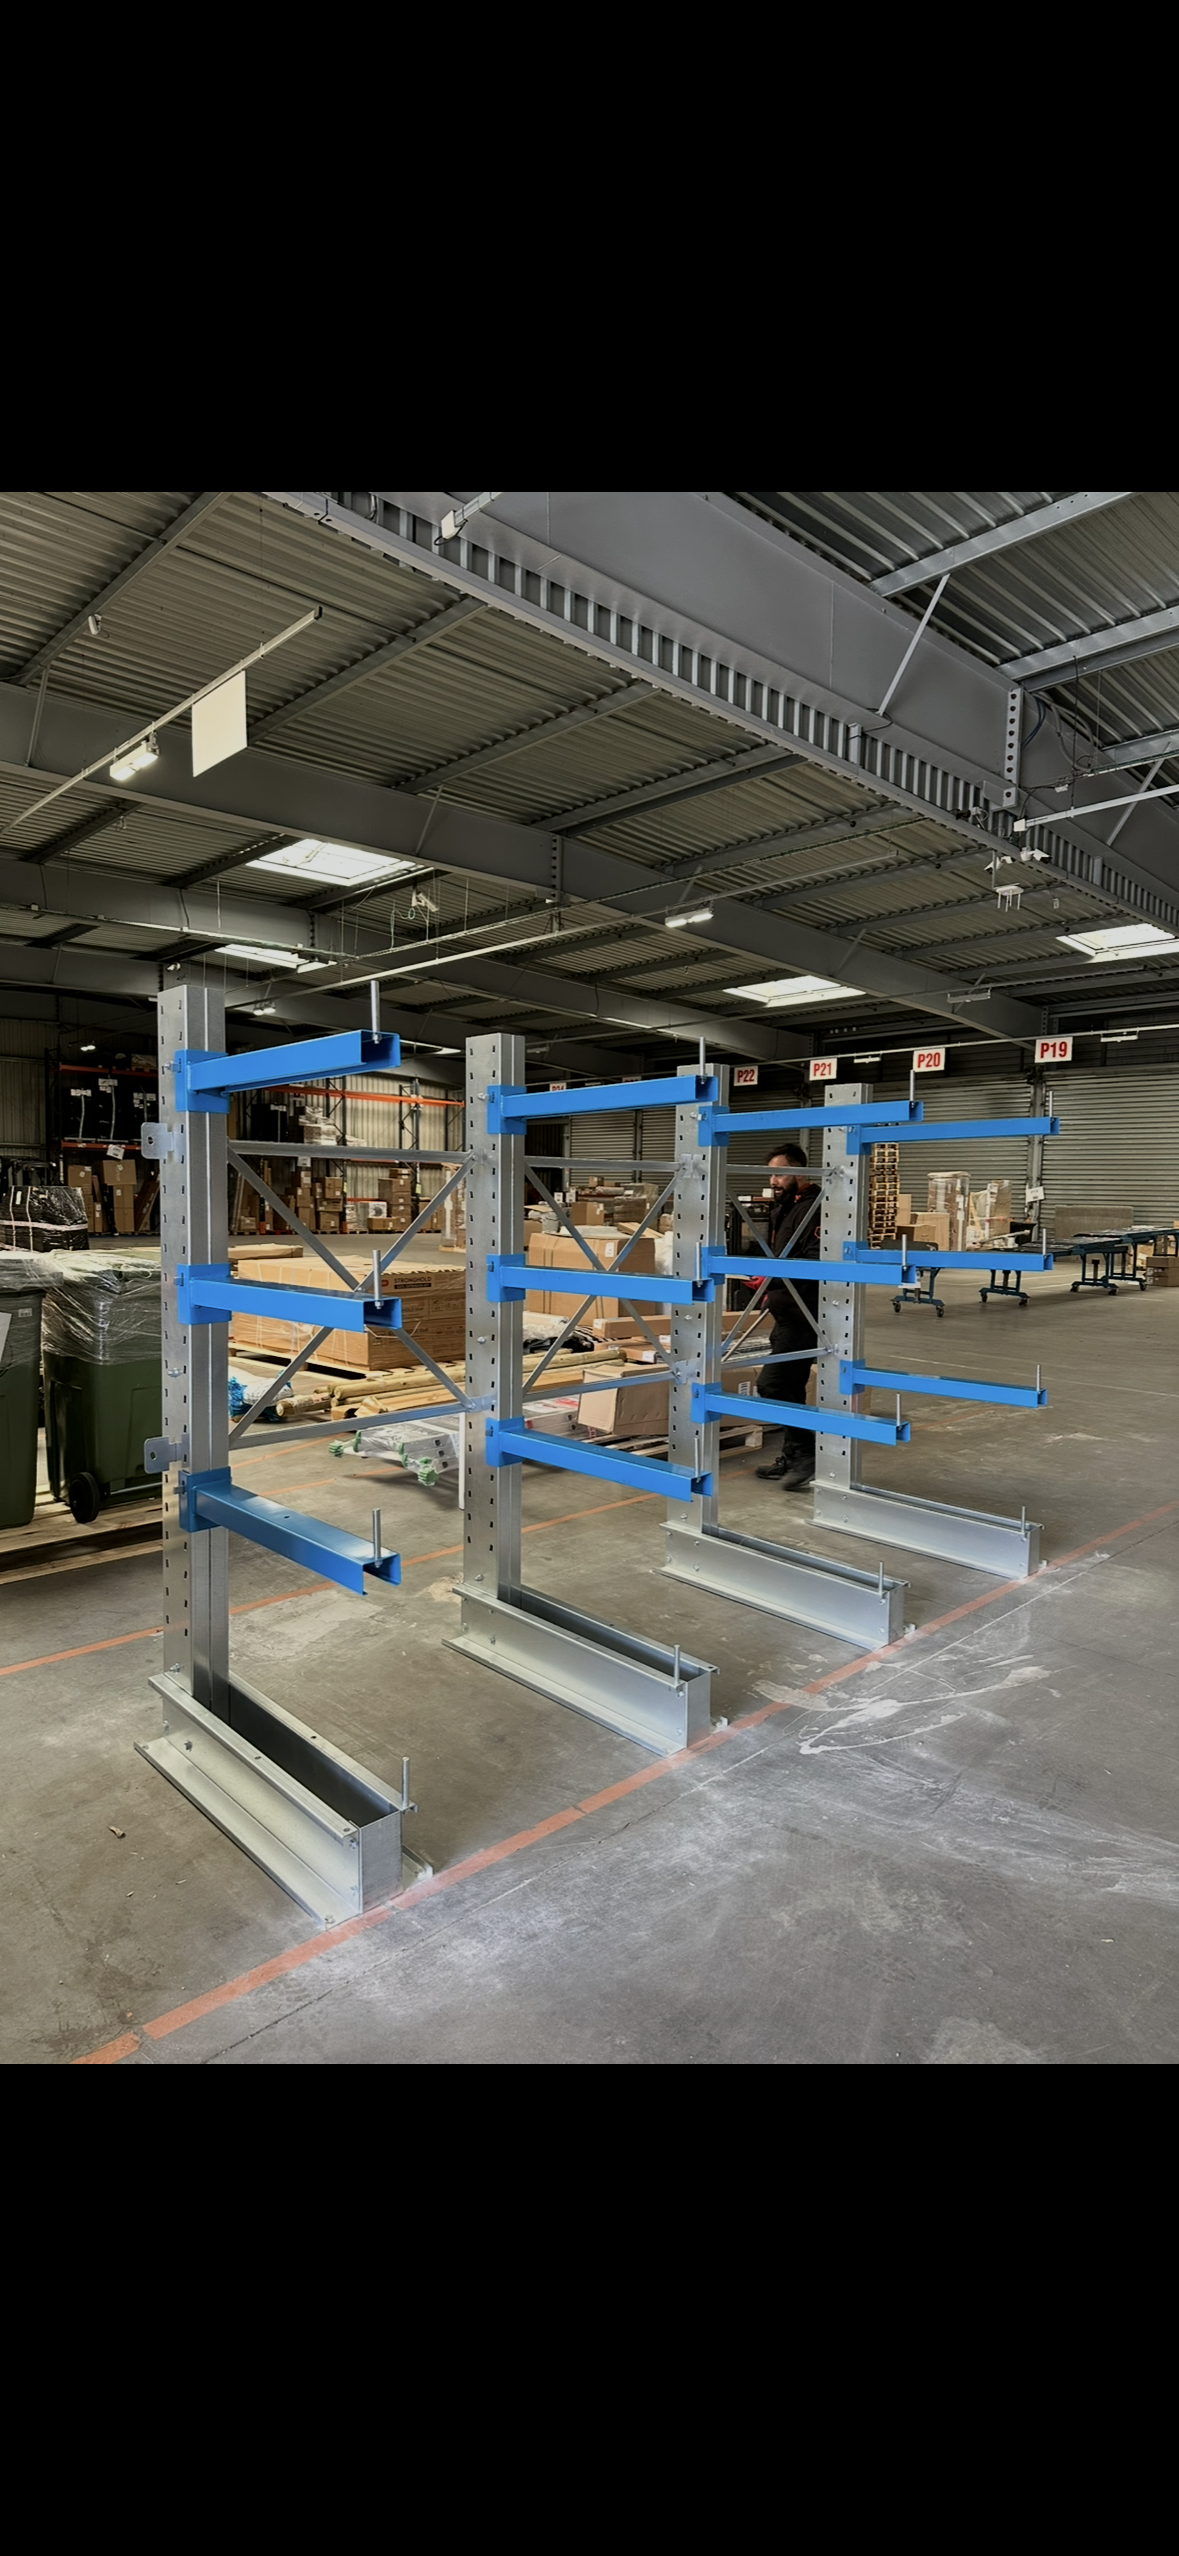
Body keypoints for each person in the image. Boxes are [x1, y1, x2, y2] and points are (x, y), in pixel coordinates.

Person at [751, 1144, 822, 1491]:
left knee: (773, 1385)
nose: (773, 1181)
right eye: (771, 1174)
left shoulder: (815, 1209)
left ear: (800, 1172)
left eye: (779, 1173)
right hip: (785, 1313)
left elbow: (815, 1262)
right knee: (791, 1387)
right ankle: (793, 1456)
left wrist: (772, 1279)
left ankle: (807, 1455)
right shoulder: (786, 1208)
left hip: (805, 1314)